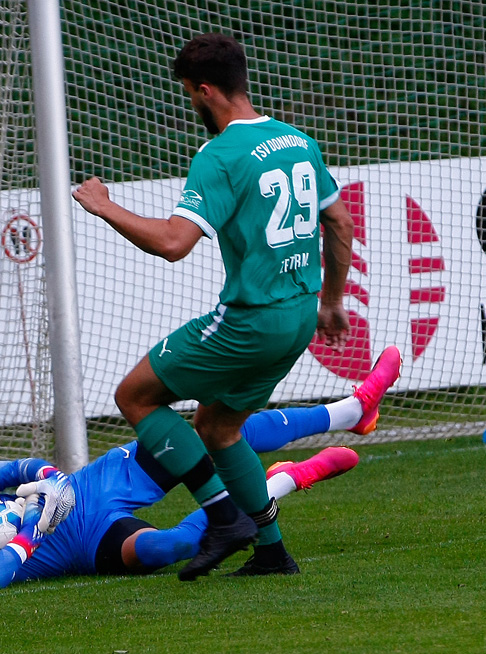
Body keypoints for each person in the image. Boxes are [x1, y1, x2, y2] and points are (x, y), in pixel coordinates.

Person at [72, 33, 374, 579]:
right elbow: (340, 221)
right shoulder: (296, 140)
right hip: (299, 316)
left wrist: (105, 206)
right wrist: (331, 303)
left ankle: (224, 518)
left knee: (135, 396)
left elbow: (172, 243)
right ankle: (271, 550)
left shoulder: (220, 154)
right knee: (219, 428)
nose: (191, 103)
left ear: (205, 90)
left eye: (188, 93)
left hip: (250, 322)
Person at [0, 354, 400, 592]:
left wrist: (49, 479)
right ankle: (283, 480)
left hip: (88, 489)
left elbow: (15, 466)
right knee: (168, 551)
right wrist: (30, 533)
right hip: (84, 546)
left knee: (210, 432)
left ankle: (351, 413)